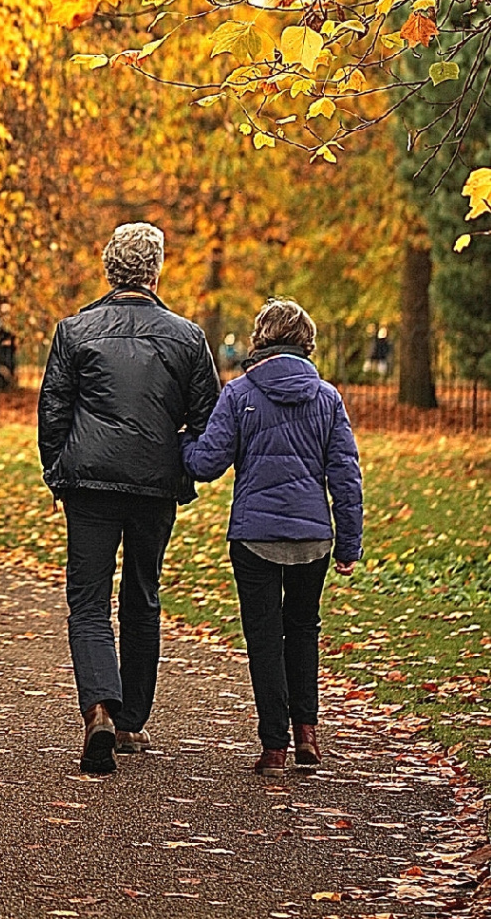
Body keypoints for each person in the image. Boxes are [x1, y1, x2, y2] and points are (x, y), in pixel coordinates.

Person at [38, 222, 220, 775]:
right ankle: (131, 720)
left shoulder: (75, 331)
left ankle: (98, 707)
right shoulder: (186, 337)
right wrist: (174, 455)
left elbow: (53, 411)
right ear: (156, 270)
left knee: (88, 598)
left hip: (89, 484)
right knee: (143, 594)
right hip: (152, 485)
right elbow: (207, 418)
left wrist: (58, 473)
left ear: (108, 268)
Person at [181, 298, 363, 774]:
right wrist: (348, 544)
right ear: (306, 343)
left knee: (264, 638)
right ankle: (308, 734)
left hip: (255, 537)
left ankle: (274, 747)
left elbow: (206, 464)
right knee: (303, 631)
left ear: (260, 339)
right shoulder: (327, 398)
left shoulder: (239, 393)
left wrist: (182, 441)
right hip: (312, 538)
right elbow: (346, 475)